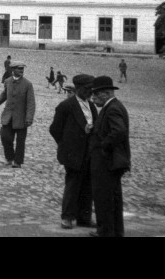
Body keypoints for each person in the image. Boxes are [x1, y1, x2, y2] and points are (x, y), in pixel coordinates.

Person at [49, 74, 97, 230]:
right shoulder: (66, 106)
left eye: (91, 89)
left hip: (89, 153)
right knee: (73, 184)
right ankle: (67, 217)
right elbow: (55, 129)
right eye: (88, 89)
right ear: (79, 89)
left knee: (87, 185)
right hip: (73, 153)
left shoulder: (91, 106)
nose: (91, 92)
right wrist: (66, 145)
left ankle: (84, 217)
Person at [88, 75, 131, 237]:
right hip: (111, 161)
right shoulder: (113, 107)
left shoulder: (112, 109)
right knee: (112, 199)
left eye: (95, 95)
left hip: (108, 161)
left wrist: (103, 146)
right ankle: (114, 231)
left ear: (105, 93)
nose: (93, 99)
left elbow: (118, 131)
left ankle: (106, 232)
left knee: (104, 198)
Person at [0, 62, 35, 168]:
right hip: (8, 116)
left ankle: (18, 162)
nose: (21, 71)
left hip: (22, 118)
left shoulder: (28, 84)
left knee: (20, 141)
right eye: (19, 69)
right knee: (5, 137)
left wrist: (29, 118)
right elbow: (5, 94)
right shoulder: (7, 81)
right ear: (13, 70)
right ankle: (10, 158)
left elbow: (31, 103)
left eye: (22, 69)